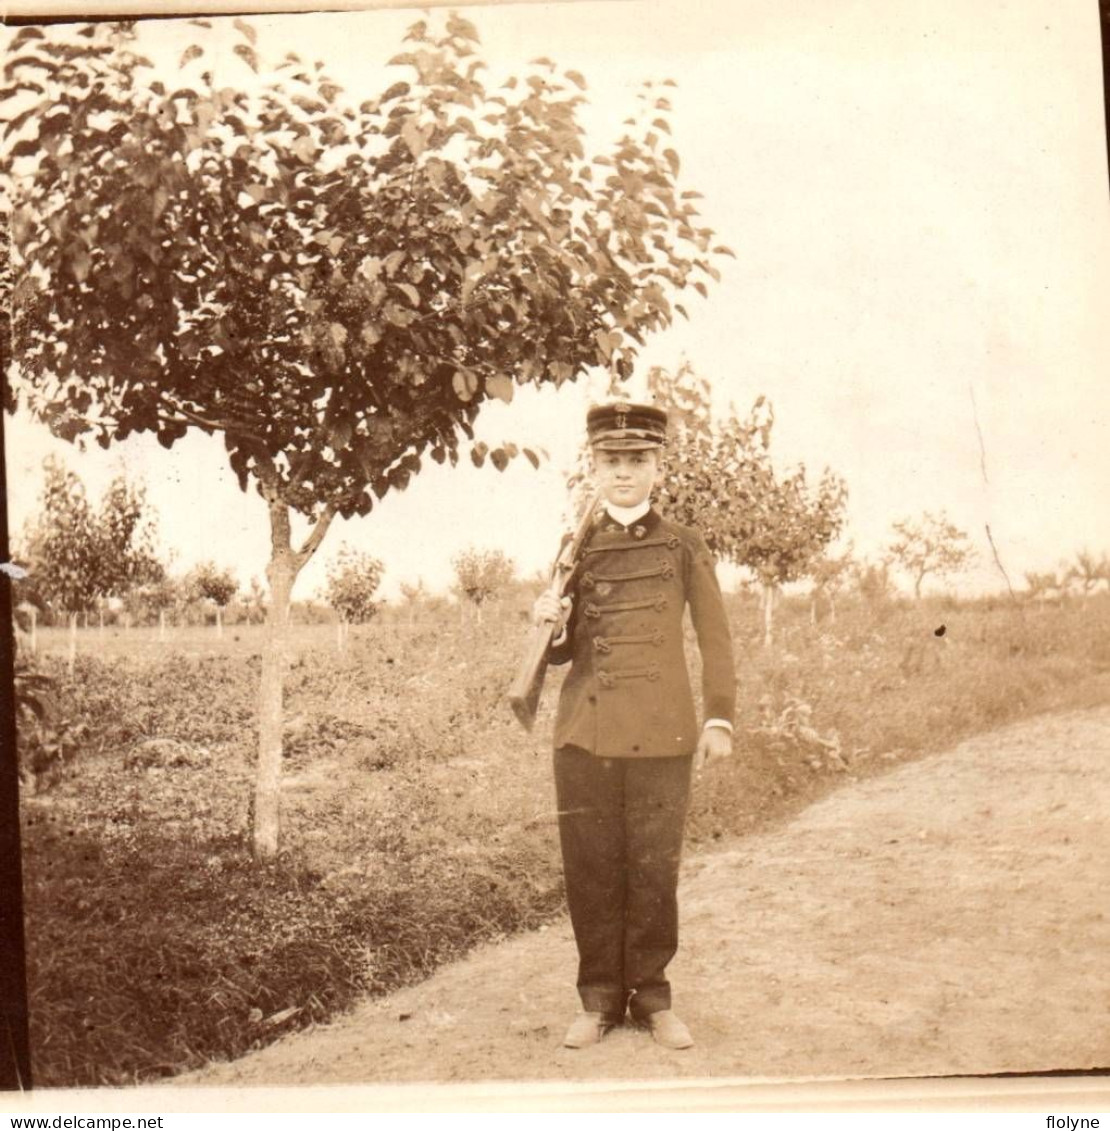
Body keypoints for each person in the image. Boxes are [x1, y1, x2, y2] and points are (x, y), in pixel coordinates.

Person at [532, 400, 737, 1051]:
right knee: (591, 866)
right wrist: (550, 621)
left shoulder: (683, 545)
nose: (624, 472)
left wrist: (720, 717)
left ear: (658, 465)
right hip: (585, 733)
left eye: (637, 460)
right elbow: (561, 655)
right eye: (611, 461)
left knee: (652, 868)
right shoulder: (575, 549)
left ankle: (652, 996)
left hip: (663, 731)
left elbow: (716, 637)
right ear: (594, 466)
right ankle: (596, 998)